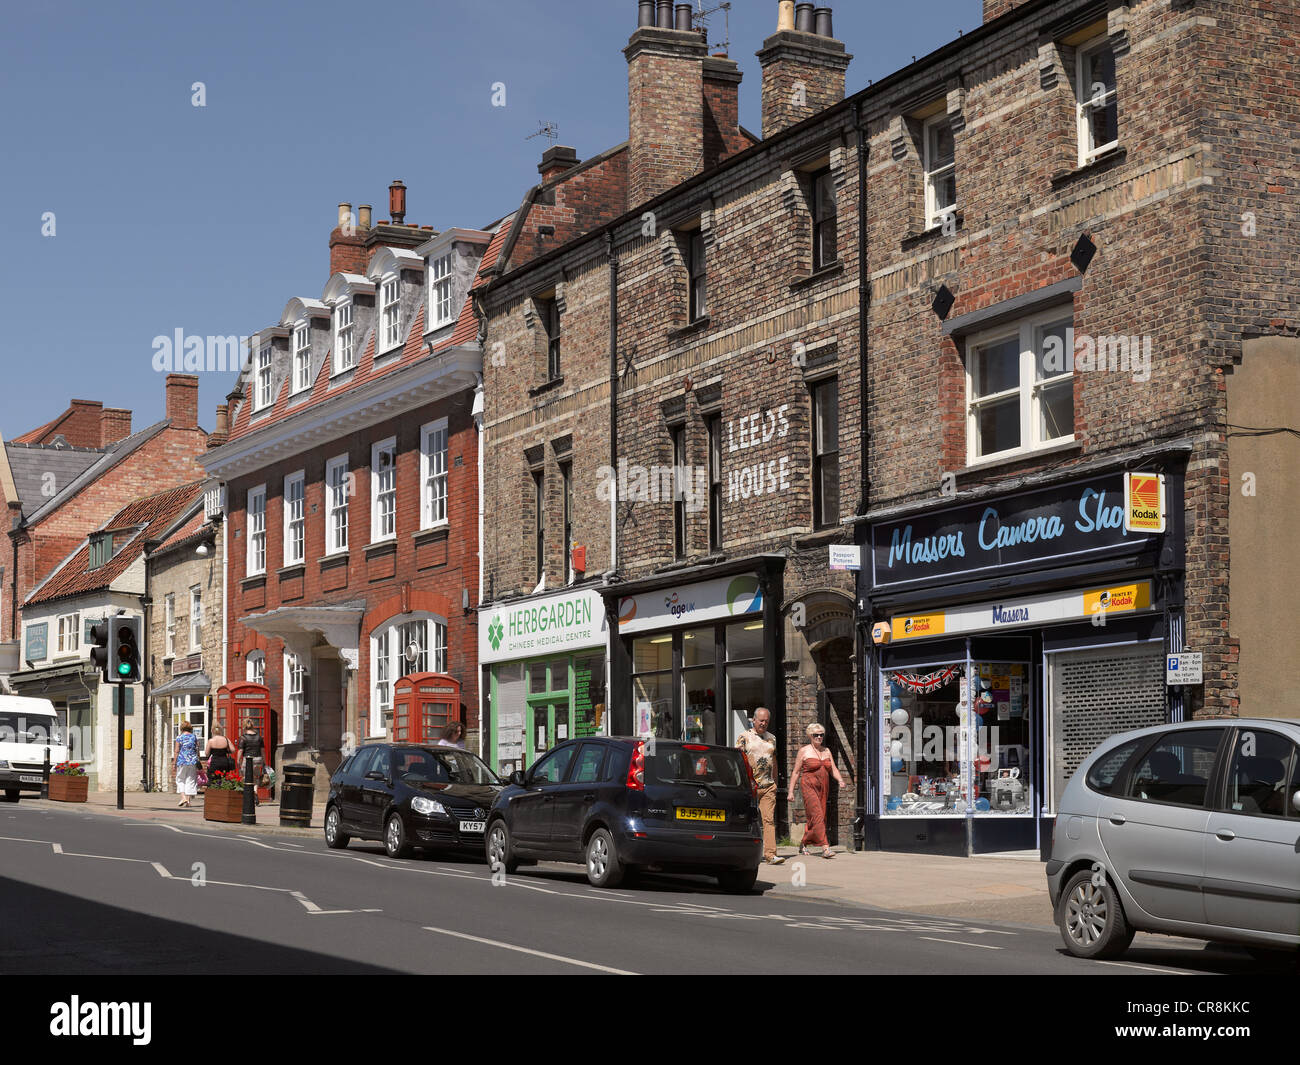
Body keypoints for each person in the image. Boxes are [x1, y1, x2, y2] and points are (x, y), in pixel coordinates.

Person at [788, 722, 845, 859]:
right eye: (816, 735)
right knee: (817, 815)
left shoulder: (826, 751)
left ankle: (804, 843)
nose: (819, 737)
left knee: (817, 817)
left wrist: (840, 780)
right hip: (808, 786)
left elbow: (833, 769)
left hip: (823, 787)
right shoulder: (804, 751)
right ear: (810, 736)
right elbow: (796, 772)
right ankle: (825, 847)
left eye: (821, 735)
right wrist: (790, 791)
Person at [736, 707, 783, 865]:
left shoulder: (772, 738)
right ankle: (742, 852)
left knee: (768, 820)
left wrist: (775, 782)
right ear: (753, 720)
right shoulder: (744, 737)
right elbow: (738, 761)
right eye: (761, 720)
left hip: (768, 786)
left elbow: (774, 760)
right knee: (746, 819)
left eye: (766, 721)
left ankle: (770, 854)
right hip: (750, 786)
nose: (763, 723)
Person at [174, 721, 200, 807]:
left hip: (182, 761)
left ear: (181, 728)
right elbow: (197, 749)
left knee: (180, 779)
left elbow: (177, 751)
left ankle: (183, 797)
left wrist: (174, 762)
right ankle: (188, 802)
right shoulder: (194, 737)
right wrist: (198, 759)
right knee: (190, 780)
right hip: (192, 761)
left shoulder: (179, 737)